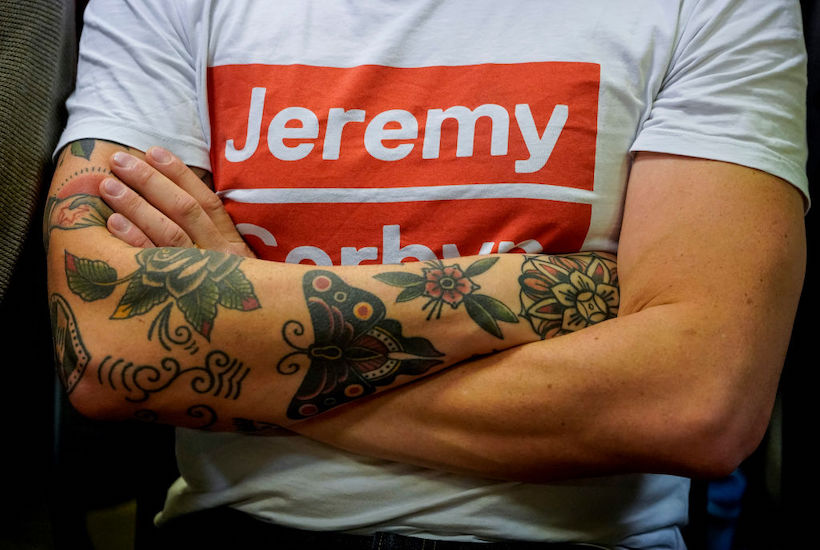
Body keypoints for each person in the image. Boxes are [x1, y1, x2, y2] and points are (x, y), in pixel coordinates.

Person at [45, 0, 809, 548]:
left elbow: (695, 401)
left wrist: (248, 347)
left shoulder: (715, 8)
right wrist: (550, 292)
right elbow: (106, 342)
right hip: (239, 527)